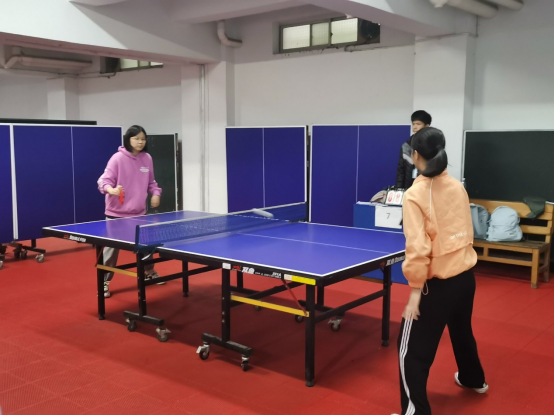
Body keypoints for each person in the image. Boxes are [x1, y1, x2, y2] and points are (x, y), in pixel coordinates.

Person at [397, 127, 488, 415]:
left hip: (436, 286)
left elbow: (417, 248)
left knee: (410, 352)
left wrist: (415, 293)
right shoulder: (457, 186)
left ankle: (415, 411)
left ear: (415, 155)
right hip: (466, 278)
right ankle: (473, 379)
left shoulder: (414, 195)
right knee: (461, 331)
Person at [97, 125, 163, 298]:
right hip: (116, 214)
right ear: (128, 139)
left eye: (143, 139)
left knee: (146, 246)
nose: (140, 142)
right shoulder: (117, 158)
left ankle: (149, 272)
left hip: (139, 213)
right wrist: (110, 190)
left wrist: (156, 193)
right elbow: (103, 181)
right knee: (111, 249)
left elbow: (151, 183)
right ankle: (104, 281)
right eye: (136, 139)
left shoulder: (147, 158)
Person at [396, 111, 432, 190]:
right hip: (409, 187)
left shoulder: (432, 145)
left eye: (418, 124)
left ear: (426, 126)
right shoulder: (406, 146)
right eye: (413, 124)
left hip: (426, 187)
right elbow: (401, 170)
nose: (415, 127)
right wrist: (399, 188)